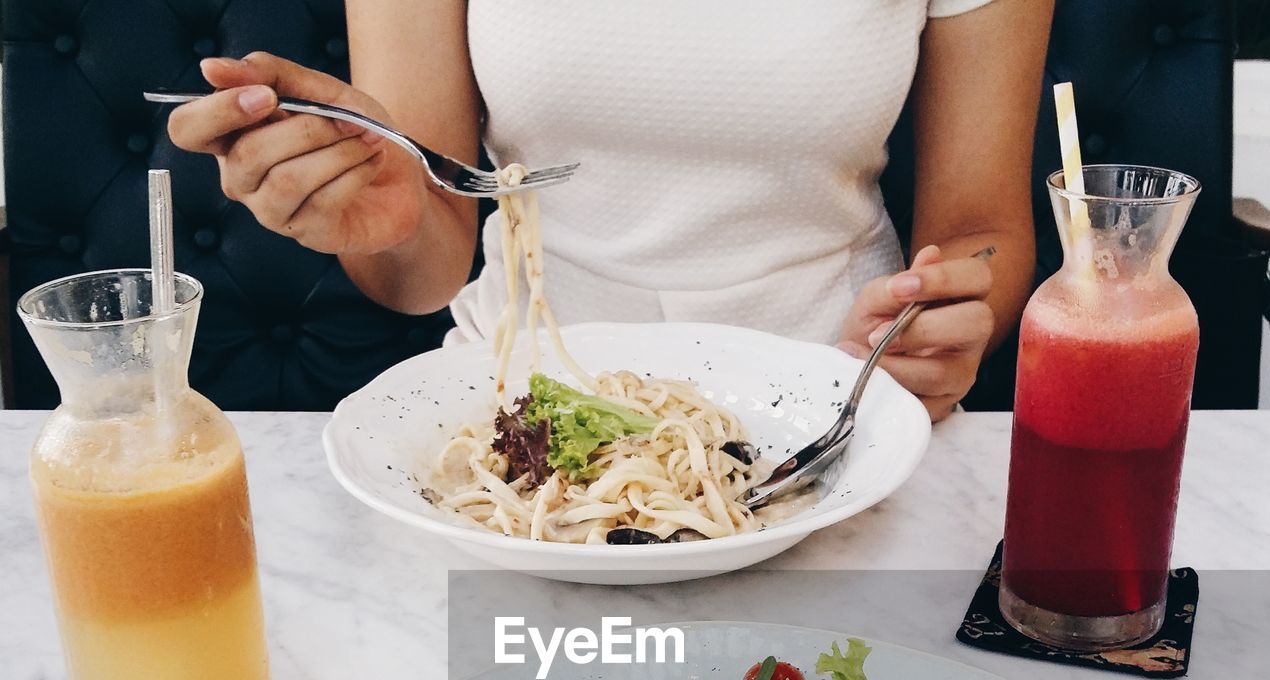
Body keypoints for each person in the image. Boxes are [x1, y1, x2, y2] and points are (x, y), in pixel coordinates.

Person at [169, 0, 1052, 422]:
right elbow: (422, 267)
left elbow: (982, 230)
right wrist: (387, 211)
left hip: (839, 406)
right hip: (527, 415)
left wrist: (939, 322)